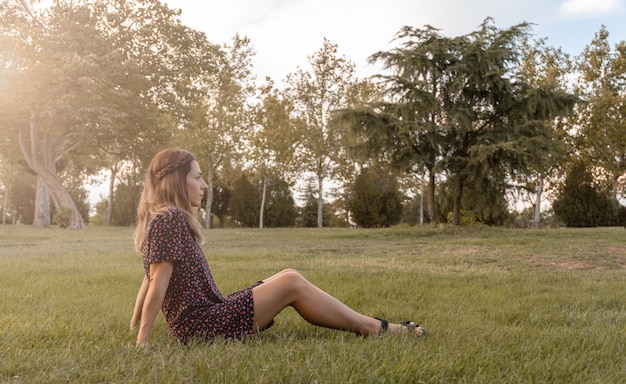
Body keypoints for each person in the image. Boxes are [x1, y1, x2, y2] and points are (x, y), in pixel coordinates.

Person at [130, 148, 425, 347]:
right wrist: (142, 342)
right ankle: (375, 328)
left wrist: (134, 324)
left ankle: (372, 325)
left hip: (208, 314)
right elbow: (157, 280)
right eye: (197, 177)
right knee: (291, 281)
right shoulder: (168, 219)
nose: (204, 184)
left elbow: (149, 277)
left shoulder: (165, 217)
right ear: (176, 181)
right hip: (202, 326)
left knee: (286, 275)